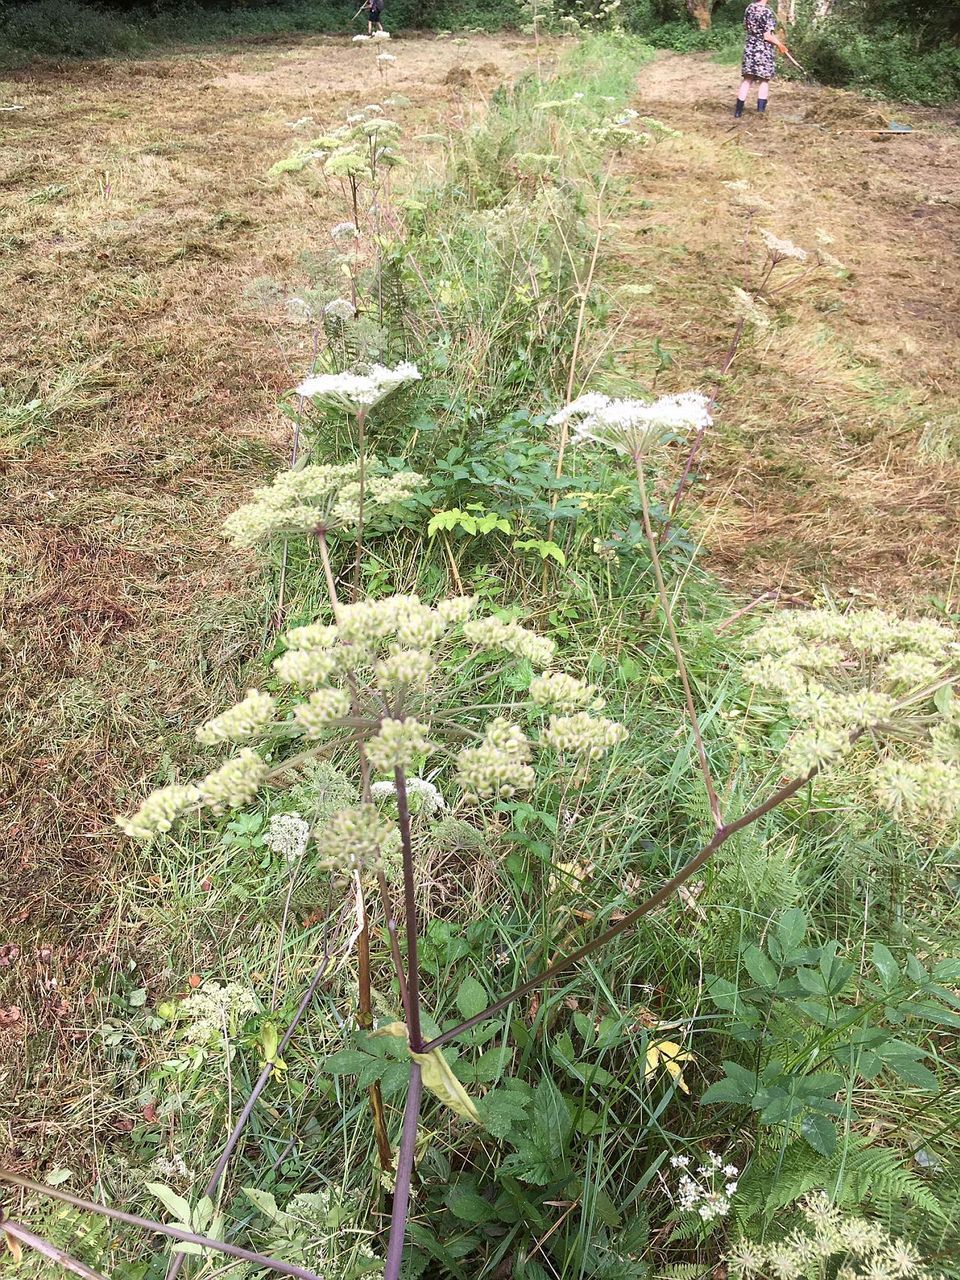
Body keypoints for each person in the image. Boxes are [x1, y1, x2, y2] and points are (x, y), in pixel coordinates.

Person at [735, 0, 784, 117]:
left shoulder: (749, 8)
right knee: (764, 80)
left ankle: (738, 112)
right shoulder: (766, 12)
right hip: (763, 50)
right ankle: (761, 113)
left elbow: (746, 27)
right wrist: (779, 44)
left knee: (747, 79)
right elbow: (767, 36)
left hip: (750, 47)